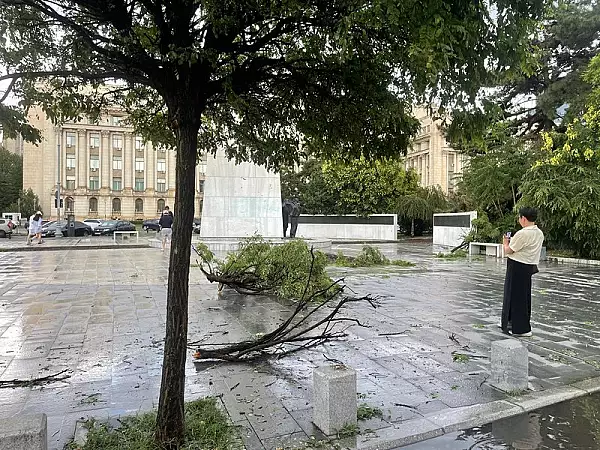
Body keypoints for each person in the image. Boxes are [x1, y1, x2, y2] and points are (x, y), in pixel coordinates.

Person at [500, 207, 545, 337]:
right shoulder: (539, 233)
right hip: (528, 267)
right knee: (522, 296)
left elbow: (509, 250)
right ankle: (510, 322)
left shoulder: (523, 233)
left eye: (519, 217)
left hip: (517, 266)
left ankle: (521, 328)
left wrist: (505, 242)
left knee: (515, 297)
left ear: (523, 218)